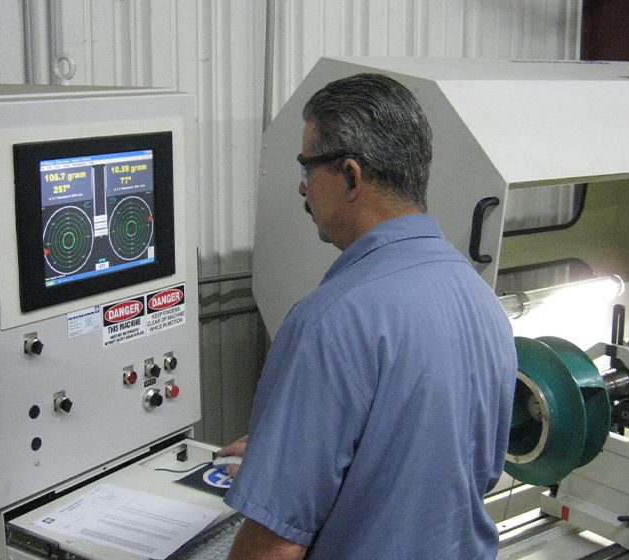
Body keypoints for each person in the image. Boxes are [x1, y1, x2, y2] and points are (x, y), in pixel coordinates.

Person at [217, 73, 517, 560]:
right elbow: (447, 465)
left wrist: (284, 478)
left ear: (351, 176)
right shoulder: (480, 299)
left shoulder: (329, 321)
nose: (301, 185)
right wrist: (287, 450)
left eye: (307, 166)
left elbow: (274, 546)